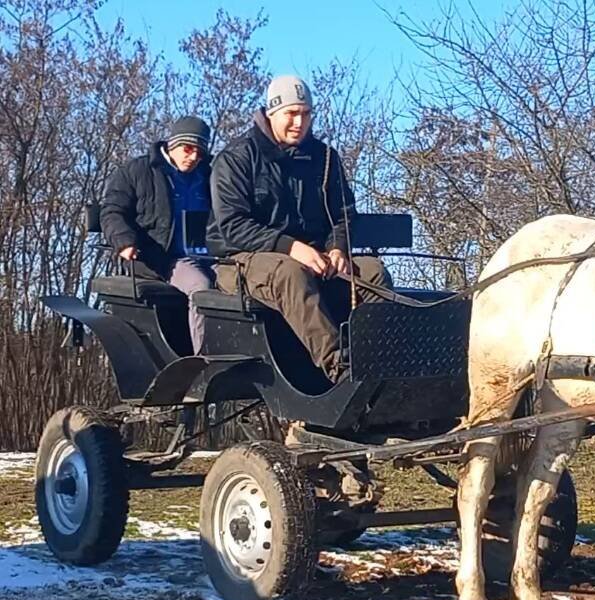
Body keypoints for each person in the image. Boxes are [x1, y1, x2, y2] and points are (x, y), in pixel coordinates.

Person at [207, 75, 389, 382]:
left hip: (315, 257)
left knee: (372, 272)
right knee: (291, 273)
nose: (299, 122)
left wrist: (338, 247)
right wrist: (291, 247)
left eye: (305, 114)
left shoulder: (325, 158)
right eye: (291, 114)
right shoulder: (237, 158)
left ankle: (382, 363)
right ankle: (343, 374)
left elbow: (344, 213)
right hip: (242, 260)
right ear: (271, 112)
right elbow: (233, 226)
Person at [100, 116, 216, 354]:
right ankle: (204, 360)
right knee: (201, 286)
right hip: (161, 258)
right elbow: (112, 211)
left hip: (208, 255)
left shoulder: (211, 176)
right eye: (188, 148)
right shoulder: (138, 171)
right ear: (172, 144)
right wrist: (124, 241)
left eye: (200, 153)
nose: (193, 157)